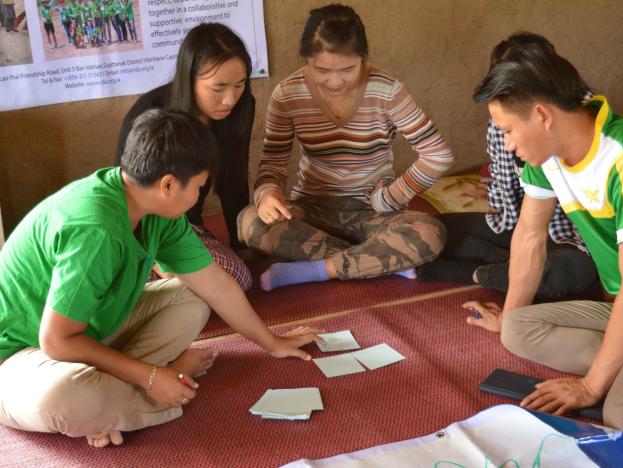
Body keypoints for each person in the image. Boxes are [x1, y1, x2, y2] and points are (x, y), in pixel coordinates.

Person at [0, 109, 323, 448]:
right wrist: (151, 376)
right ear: (168, 184)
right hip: (21, 356)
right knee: (68, 397)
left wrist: (271, 342)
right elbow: (56, 341)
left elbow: (213, 283)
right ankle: (128, 400)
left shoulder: (154, 208)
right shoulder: (95, 229)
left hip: (92, 331)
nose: (200, 196)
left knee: (193, 297)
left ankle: (119, 406)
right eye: (199, 187)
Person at [467, 36, 623, 439]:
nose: (506, 144)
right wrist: (509, 315)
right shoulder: (548, 154)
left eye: (507, 130)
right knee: (518, 328)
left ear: (541, 114)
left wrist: (592, 386)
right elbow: (528, 235)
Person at [237, 3, 453, 291]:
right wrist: (268, 195)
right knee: (249, 221)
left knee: (430, 232)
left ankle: (316, 269)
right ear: (306, 59)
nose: (335, 81)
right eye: (322, 70)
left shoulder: (387, 89)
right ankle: (378, 260)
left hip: (372, 210)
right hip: (311, 208)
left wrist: (388, 199)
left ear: (363, 59)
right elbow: (273, 162)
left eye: (348, 69)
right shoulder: (287, 94)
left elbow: (438, 154)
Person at [418, 33, 598, 299]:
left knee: (570, 271)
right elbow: (513, 204)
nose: (509, 143)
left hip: (571, 238)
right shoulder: (506, 116)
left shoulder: (579, 125)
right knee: (429, 232)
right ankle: (509, 263)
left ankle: (488, 272)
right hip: (520, 226)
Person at [116, 23, 254, 291]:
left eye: (240, 84)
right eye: (218, 88)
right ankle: (142, 280)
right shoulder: (149, 114)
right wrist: (154, 258)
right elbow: (124, 194)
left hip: (187, 228)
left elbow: (233, 176)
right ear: (190, 77)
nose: (230, 99)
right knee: (219, 283)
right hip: (141, 233)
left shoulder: (241, 107)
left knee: (239, 277)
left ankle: (152, 290)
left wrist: (240, 245)